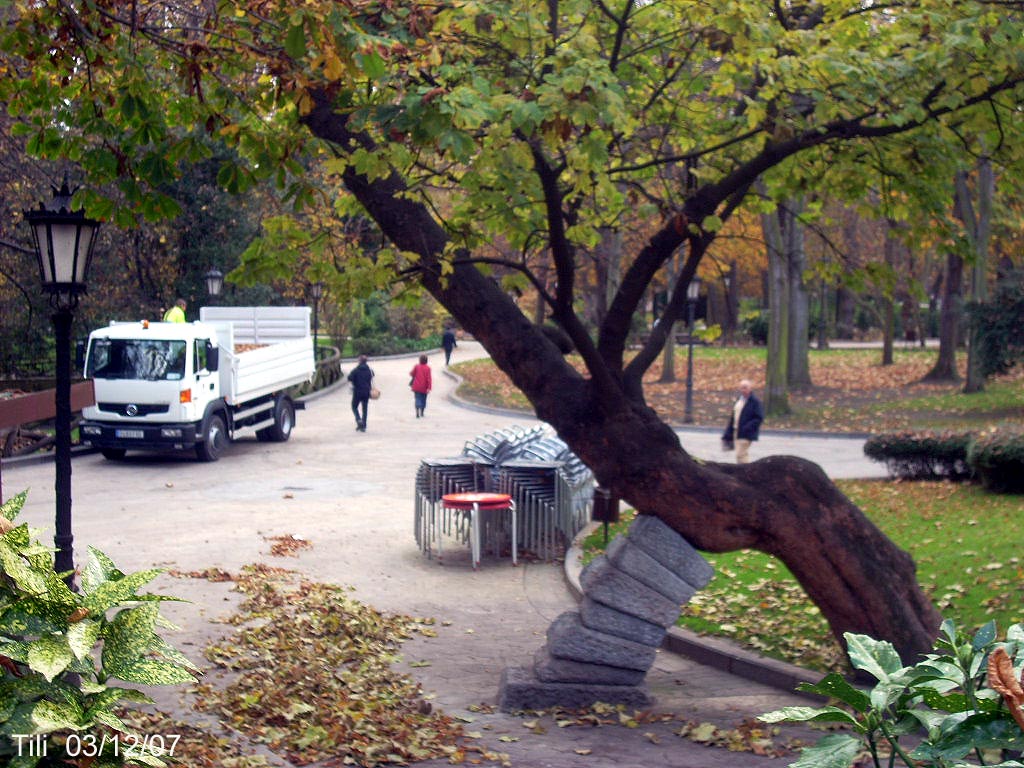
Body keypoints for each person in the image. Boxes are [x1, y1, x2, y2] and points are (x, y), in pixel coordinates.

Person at [721, 379, 764, 464]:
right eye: (741, 388)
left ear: (750, 388)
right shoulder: (739, 400)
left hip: (746, 433)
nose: (743, 390)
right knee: (740, 454)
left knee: (741, 454)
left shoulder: (755, 402)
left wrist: (747, 427)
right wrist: (728, 433)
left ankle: (745, 470)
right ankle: (743, 469)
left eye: (745, 388)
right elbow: (733, 417)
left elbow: (759, 417)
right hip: (736, 431)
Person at [347, 355, 375, 432]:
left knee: (354, 406)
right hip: (366, 391)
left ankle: (358, 419)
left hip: (357, 391)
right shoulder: (369, 370)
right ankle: (363, 426)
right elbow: (372, 376)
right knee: (365, 409)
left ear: (359, 361)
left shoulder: (355, 370)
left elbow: (349, 378)